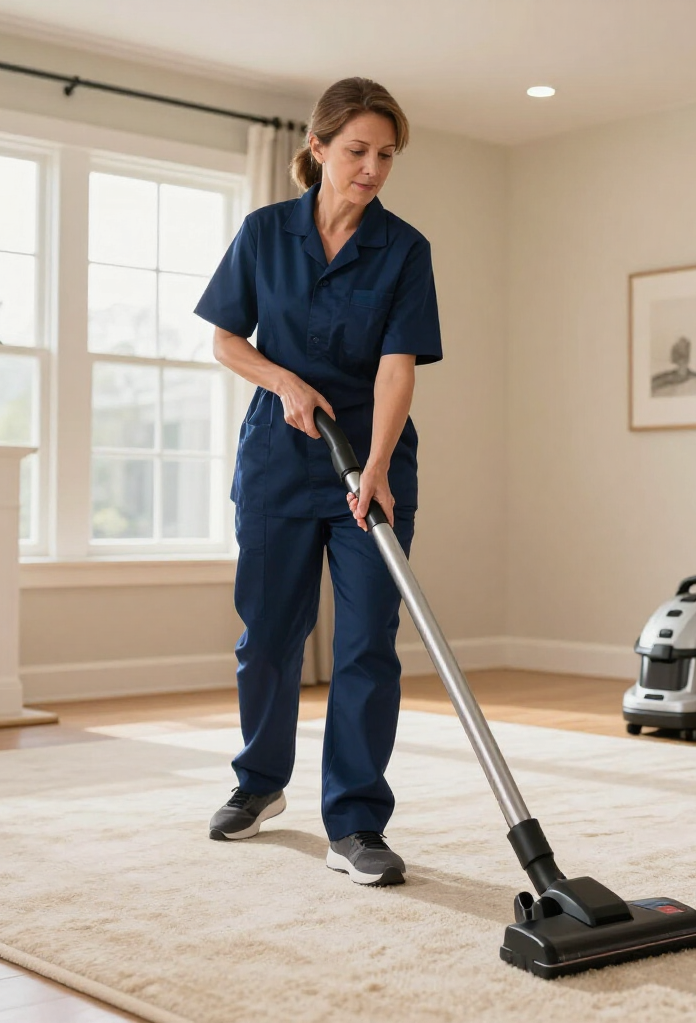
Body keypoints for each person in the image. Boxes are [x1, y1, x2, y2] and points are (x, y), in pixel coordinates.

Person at [193, 78, 441, 886]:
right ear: (319, 147)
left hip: (370, 462)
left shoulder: (404, 249)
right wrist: (284, 382)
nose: (372, 169)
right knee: (268, 634)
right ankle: (259, 784)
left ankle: (357, 823)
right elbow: (226, 340)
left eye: (386, 156)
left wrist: (374, 468)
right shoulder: (266, 233)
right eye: (358, 151)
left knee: (369, 641)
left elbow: (399, 371)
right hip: (278, 457)